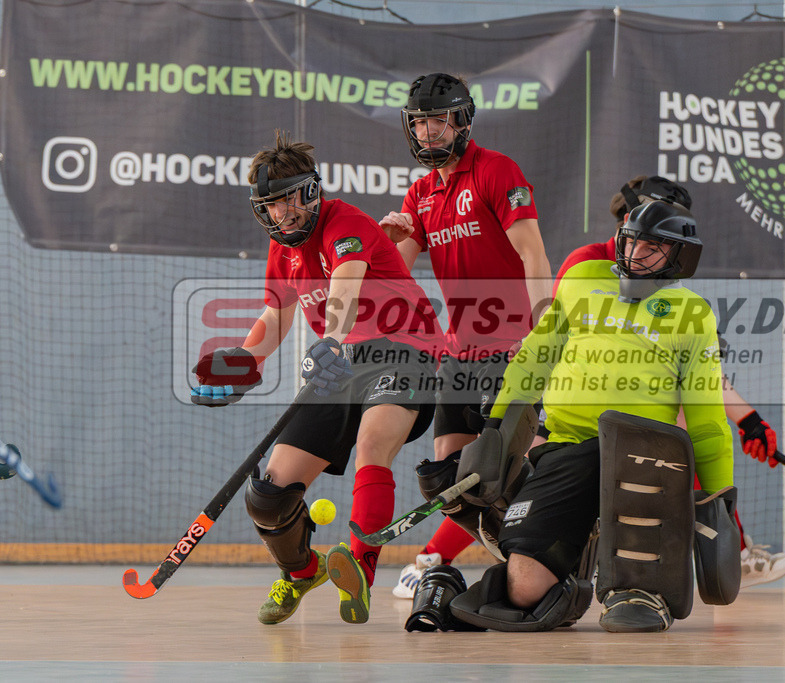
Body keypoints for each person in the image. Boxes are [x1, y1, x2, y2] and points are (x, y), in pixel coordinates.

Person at [429, 198, 738, 633]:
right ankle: (572, 568)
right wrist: (495, 432)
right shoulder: (579, 280)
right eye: (630, 244)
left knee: (634, 604)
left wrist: (719, 501)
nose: (635, 256)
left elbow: (706, 420)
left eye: (652, 248)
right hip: (568, 445)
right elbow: (533, 360)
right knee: (521, 591)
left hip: (643, 453)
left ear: (679, 257)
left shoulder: (694, 315)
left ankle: (639, 590)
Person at [190, 130, 444, 626]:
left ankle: (361, 573)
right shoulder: (281, 247)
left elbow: (345, 286)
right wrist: (245, 363)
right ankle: (302, 570)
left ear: (309, 192)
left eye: (287, 201)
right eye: (270, 206)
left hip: (402, 349)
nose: (281, 215)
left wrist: (331, 338)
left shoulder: (344, 221)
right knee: (269, 492)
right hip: (341, 360)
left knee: (373, 445)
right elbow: (276, 315)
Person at [556, 175, 785, 587]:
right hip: (578, 411)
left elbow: (694, 374)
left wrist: (748, 419)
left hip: (630, 413)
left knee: (692, 433)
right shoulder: (587, 265)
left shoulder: (661, 279)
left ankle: (731, 548)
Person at [379, 72, 553, 597]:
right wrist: (385, 249)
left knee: (509, 468)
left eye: (437, 121)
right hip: (461, 353)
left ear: (463, 121)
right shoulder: (421, 194)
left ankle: (541, 555)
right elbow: (399, 275)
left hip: (514, 348)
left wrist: (542, 325)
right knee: (449, 479)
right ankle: (496, 553)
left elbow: (533, 253)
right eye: (419, 123)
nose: (427, 132)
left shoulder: (498, 172)